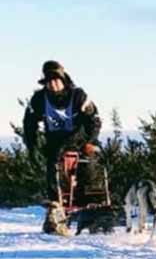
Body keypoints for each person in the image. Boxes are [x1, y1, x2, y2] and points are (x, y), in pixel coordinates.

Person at [21, 60, 102, 202]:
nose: (53, 84)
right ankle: (56, 204)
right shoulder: (39, 99)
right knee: (52, 167)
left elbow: (94, 120)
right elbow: (29, 124)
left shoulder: (79, 96)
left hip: (79, 139)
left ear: (63, 79)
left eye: (56, 80)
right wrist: (32, 146)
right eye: (49, 81)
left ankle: (90, 202)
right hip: (54, 142)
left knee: (90, 165)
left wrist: (91, 141)